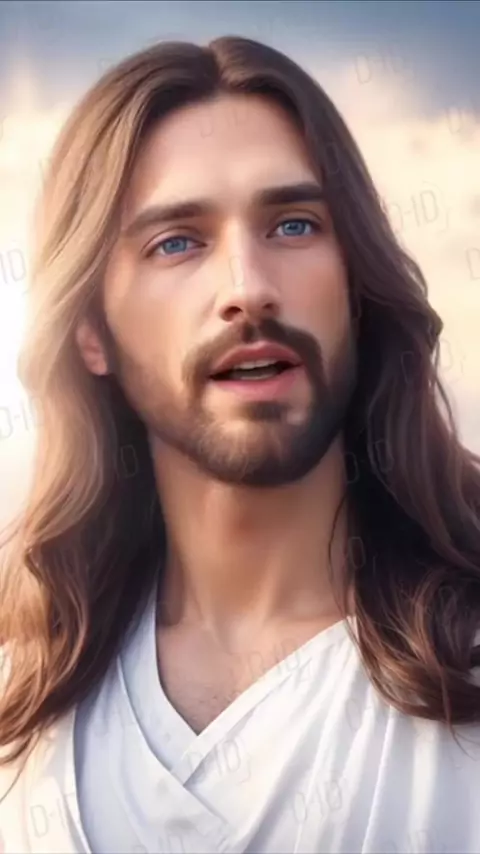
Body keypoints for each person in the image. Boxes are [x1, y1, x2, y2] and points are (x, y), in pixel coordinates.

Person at [0, 34, 479, 854]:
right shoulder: (22, 711)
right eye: (177, 242)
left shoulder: (461, 675)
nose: (248, 289)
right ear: (90, 333)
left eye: (293, 225)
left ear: (356, 287)